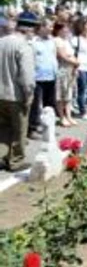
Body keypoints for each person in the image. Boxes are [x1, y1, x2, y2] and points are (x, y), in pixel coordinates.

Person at [0, 12, 38, 172]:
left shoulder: (1, 41)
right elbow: (27, 76)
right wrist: (29, 94)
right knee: (19, 129)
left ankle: (2, 157)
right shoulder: (24, 46)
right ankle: (16, 161)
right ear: (29, 30)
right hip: (16, 95)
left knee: (2, 128)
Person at [28, 18, 58, 138]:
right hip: (38, 77)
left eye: (52, 26)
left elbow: (53, 57)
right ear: (41, 27)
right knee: (35, 105)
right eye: (49, 26)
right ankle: (32, 128)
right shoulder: (33, 42)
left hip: (51, 76)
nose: (51, 29)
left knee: (50, 103)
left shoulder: (51, 41)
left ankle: (49, 126)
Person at [54, 21, 79, 126]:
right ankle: (61, 116)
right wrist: (76, 62)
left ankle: (69, 116)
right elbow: (62, 55)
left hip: (70, 69)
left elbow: (72, 55)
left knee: (68, 95)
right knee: (61, 95)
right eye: (65, 29)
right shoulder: (57, 41)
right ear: (59, 30)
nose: (67, 31)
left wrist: (76, 65)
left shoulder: (67, 41)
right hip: (62, 70)